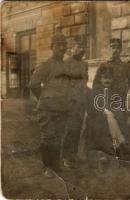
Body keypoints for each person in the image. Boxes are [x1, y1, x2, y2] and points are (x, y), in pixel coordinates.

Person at [29, 32, 70, 177]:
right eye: (58, 45)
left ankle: (56, 166)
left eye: (64, 45)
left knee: (59, 136)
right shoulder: (45, 65)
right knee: (48, 137)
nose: (62, 48)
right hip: (47, 108)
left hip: (61, 107)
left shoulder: (66, 66)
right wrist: (44, 98)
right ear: (52, 47)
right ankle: (47, 168)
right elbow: (33, 84)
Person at [85, 65, 128, 158]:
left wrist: (112, 112)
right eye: (105, 78)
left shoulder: (114, 92)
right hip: (97, 120)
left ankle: (117, 146)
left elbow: (118, 107)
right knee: (108, 119)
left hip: (112, 119)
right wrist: (105, 111)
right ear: (100, 79)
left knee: (112, 118)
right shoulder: (95, 91)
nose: (107, 81)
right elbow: (92, 108)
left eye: (110, 78)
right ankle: (119, 144)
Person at [62, 35, 89, 168]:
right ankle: (66, 157)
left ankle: (73, 155)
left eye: (83, 47)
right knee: (70, 130)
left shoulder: (85, 64)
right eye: (78, 46)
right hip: (71, 102)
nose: (81, 49)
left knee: (78, 129)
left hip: (81, 102)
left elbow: (84, 82)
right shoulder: (66, 63)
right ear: (72, 48)